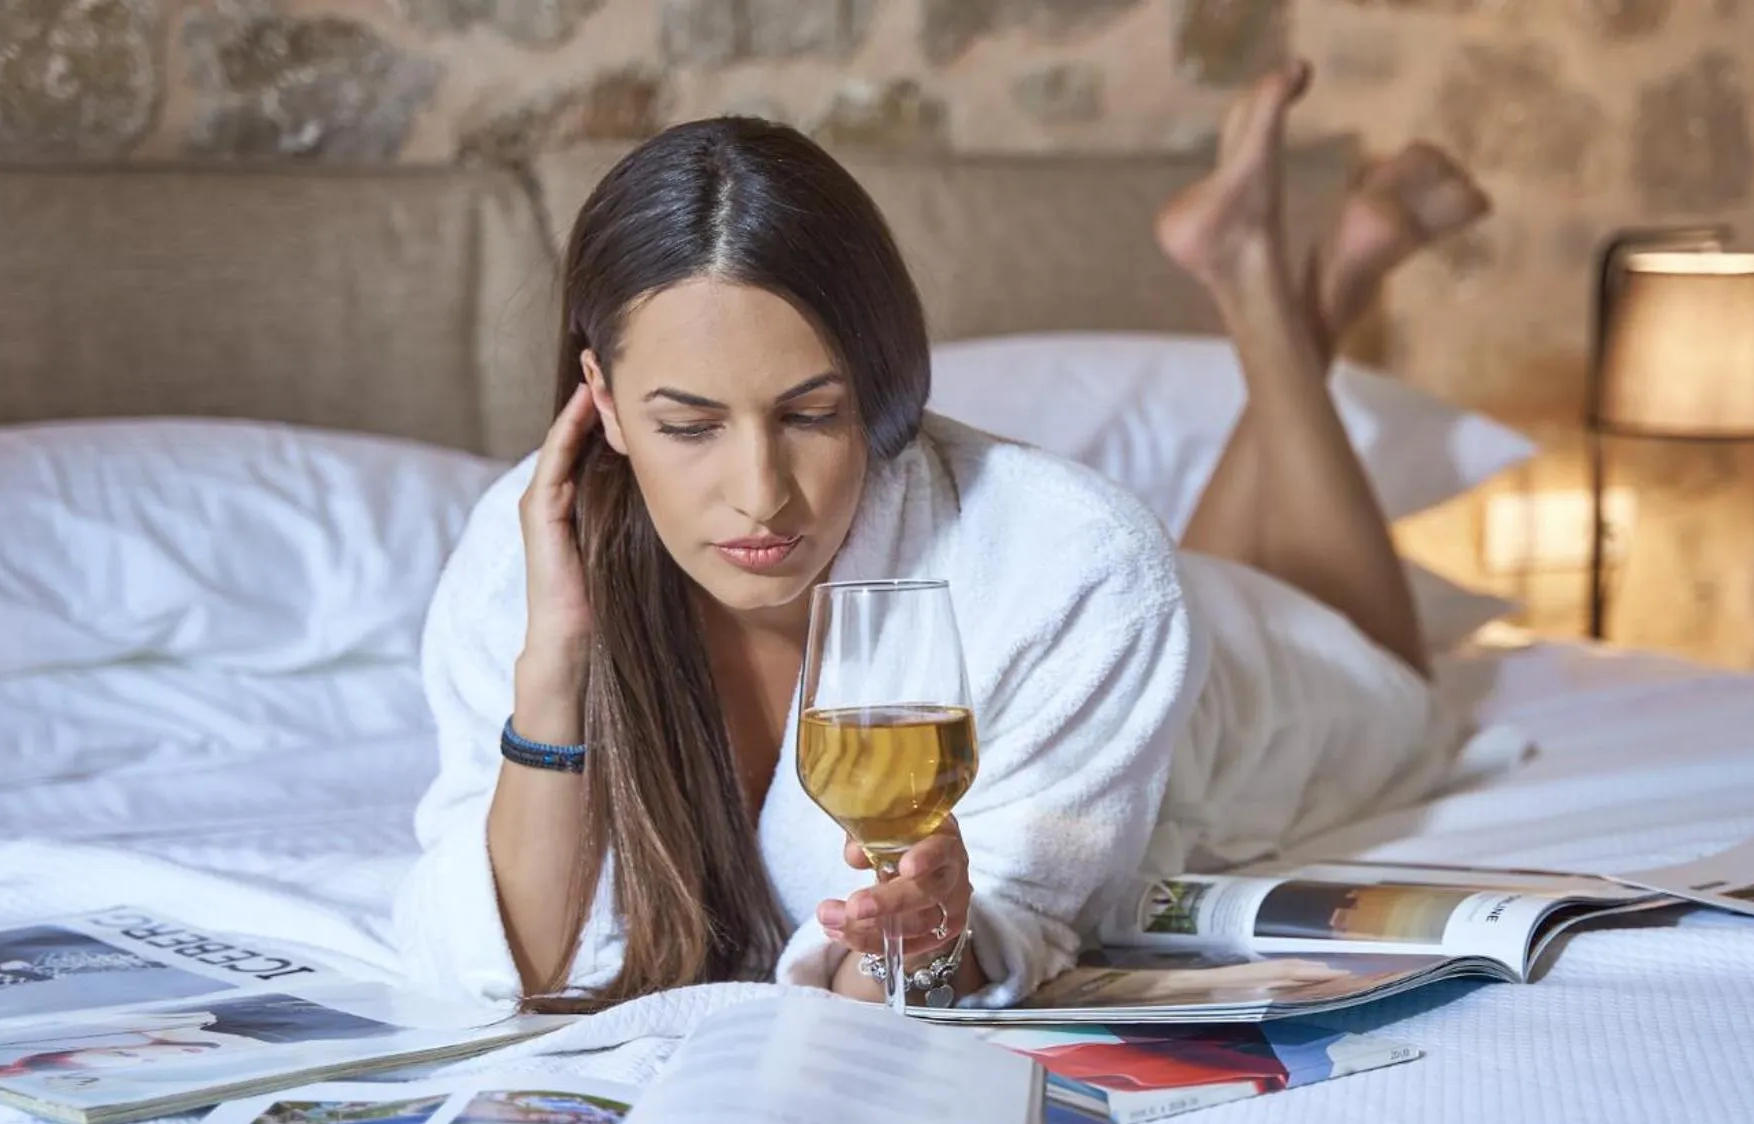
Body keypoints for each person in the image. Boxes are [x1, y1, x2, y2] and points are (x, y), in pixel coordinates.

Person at [395, 59, 1492, 1012]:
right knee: (1212, 561)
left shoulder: (1076, 562)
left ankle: (1279, 281)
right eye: (687, 426)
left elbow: (985, 940)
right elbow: (522, 966)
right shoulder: (528, 553)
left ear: (876, 388)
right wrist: (553, 676)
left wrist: (933, 936)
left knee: (1387, 664)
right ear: (601, 396)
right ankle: (1295, 277)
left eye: (811, 414)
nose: (760, 495)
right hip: (1137, 600)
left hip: (1229, 683)